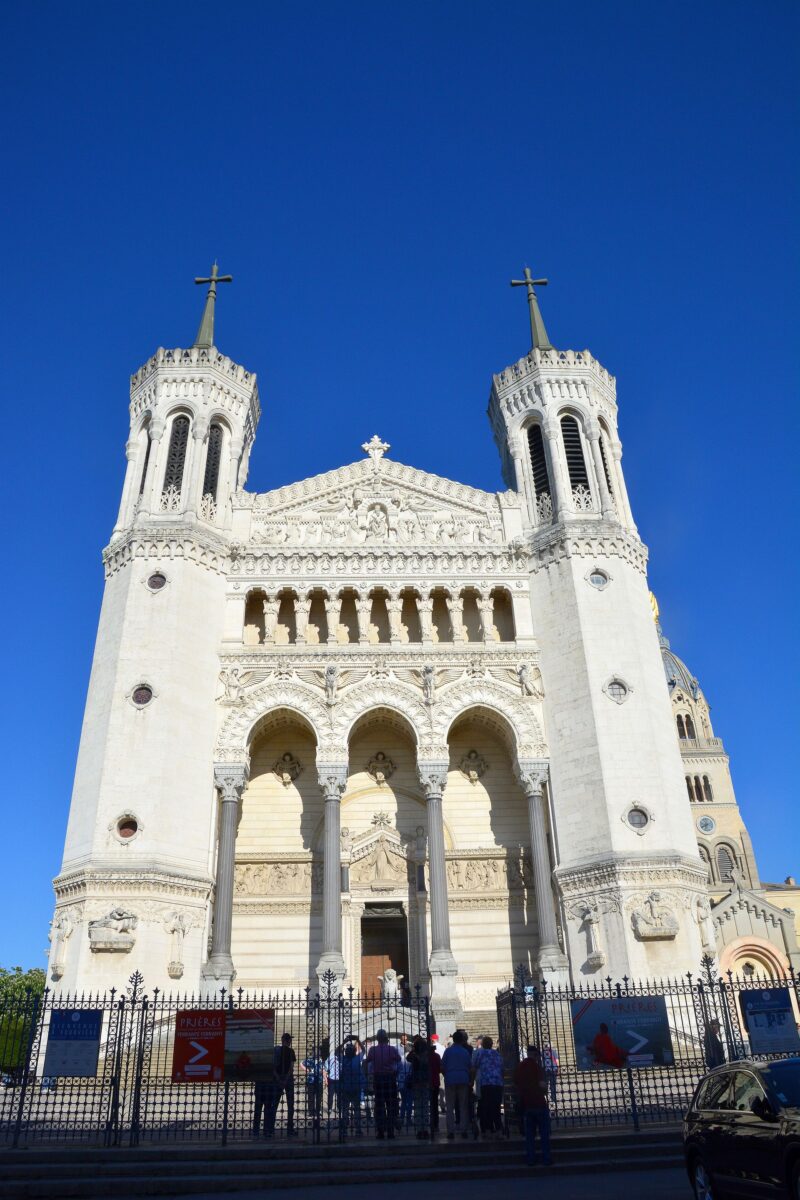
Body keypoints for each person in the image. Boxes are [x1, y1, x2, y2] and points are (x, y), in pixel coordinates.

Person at [513, 1046, 551, 1167]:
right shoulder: (537, 1067)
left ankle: (531, 1158)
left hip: (526, 1103)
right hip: (539, 1102)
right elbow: (542, 1084)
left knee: (530, 1135)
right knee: (544, 1133)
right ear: (535, 1055)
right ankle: (546, 1158)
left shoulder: (520, 1066)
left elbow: (515, 1082)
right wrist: (544, 1091)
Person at [365, 1028, 401, 1139]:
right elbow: (399, 1059)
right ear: (386, 1039)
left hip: (378, 1080)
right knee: (391, 1105)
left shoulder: (372, 1050)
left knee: (379, 1106)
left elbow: (368, 1061)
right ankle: (390, 1131)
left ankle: (380, 1131)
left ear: (378, 1039)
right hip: (390, 1079)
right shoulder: (392, 1049)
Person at [441, 1028, 472, 1139]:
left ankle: (450, 1131)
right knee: (463, 1105)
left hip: (450, 1079)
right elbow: (470, 1066)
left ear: (453, 1040)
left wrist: (446, 1075)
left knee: (450, 1106)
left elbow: (442, 1066)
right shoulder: (465, 1052)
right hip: (463, 1079)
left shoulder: (448, 1051)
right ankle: (464, 1129)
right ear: (462, 1040)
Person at [266, 1033, 297, 1137]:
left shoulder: (276, 1050)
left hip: (276, 1079)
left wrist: (279, 1079)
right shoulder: (291, 1051)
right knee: (290, 1105)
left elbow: (272, 1067)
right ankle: (290, 1129)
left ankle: (270, 1129)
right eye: (290, 1040)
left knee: (274, 1105)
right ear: (287, 1041)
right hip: (288, 1080)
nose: (290, 1041)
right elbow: (291, 1068)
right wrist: (286, 1079)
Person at [473, 1036, 504, 1137]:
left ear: (483, 1044)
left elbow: (474, 1064)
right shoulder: (497, 1053)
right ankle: (499, 1129)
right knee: (496, 1107)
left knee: (486, 1107)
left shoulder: (479, 1053)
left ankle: (487, 1129)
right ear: (491, 1044)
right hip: (497, 1082)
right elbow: (501, 1065)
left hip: (485, 1082)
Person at [338, 1042, 364, 1140]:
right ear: (354, 1052)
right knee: (356, 1109)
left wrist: (344, 1041)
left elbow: (337, 1052)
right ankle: (358, 1129)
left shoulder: (343, 1059)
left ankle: (344, 1130)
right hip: (356, 1087)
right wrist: (357, 1040)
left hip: (345, 1087)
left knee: (345, 1110)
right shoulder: (357, 1059)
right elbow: (364, 1050)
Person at [406, 1036, 431, 1138]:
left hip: (416, 1082)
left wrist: (413, 1050)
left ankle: (420, 1130)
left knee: (417, 1107)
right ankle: (425, 1129)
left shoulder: (414, 1056)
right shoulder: (427, 1056)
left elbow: (408, 1058)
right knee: (425, 1107)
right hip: (425, 1082)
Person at [301, 1044, 324, 1123]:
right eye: (316, 1050)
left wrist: (325, 1079)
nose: (317, 1052)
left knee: (319, 1097)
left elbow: (324, 1069)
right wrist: (307, 1070)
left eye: (319, 1050)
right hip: (311, 1080)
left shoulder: (321, 1060)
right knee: (311, 1097)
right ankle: (311, 1111)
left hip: (319, 1080)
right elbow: (301, 1063)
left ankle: (317, 1111)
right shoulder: (310, 1059)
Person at [429, 1037, 443, 1136]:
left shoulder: (426, 1057)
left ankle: (428, 1123)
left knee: (427, 1104)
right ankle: (436, 1124)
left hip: (427, 1082)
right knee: (434, 1104)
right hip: (435, 1081)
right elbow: (439, 1069)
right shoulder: (437, 1056)